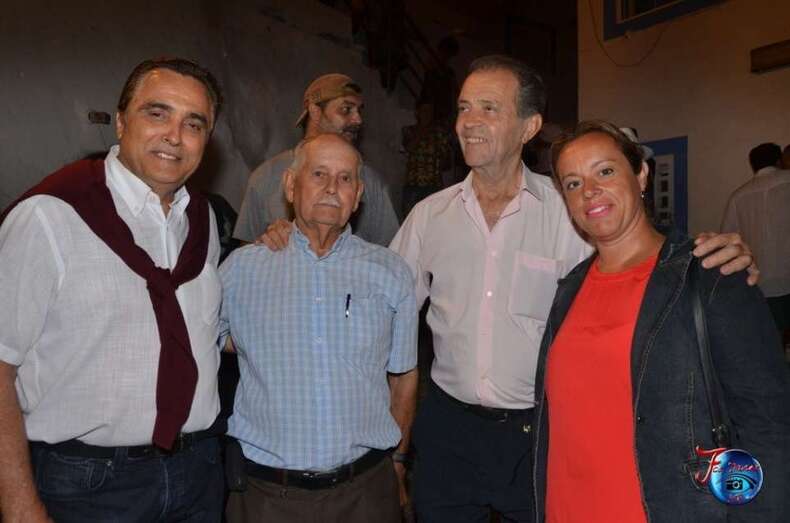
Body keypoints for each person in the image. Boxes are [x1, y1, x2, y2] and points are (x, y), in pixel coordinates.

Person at [259, 55, 757, 522]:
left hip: (540, 432)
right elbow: (372, 303)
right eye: (463, 108)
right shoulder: (430, 217)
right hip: (449, 432)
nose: (468, 122)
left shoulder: (568, 211)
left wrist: (700, 257)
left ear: (529, 127)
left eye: (489, 108)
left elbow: (636, 260)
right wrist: (297, 238)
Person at [0, 58, 225, 522]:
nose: (174, 136)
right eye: (157, 113)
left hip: (198, 474)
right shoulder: (51, 215)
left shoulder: (203, 221)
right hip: (89, 485)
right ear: (121, 122)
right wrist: (20, 507)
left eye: (194, 124)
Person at [533, 120, 790, 522]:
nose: (590, 190)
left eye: (605, 171)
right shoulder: (568, 290)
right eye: (573, 183)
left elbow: (769, 426)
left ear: (641, 175)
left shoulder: (710, 276)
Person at [220, 133, 418, 523]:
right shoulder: (243, 270)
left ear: (358, 195)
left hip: (366, 492)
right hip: (267, 497)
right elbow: (206, 344)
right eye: (318, 174)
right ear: (290, 186)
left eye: (345, 179)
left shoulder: (390, 272)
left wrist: (398, 462)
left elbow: (404, 377)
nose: (331, 188)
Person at [233, 73, 399, 246]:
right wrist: (267, 245)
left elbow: (389, 251)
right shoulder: (266, 176)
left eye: (345, 178)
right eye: (346, 109)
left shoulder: (371, 182)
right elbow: (247, 250)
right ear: (315, 112)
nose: (358, 120)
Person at [722, 143, 790, 335]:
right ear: (779, 161)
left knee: (772, 340)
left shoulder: (738, 196)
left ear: (753, 165)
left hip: (760, 285)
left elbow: (728, 242)